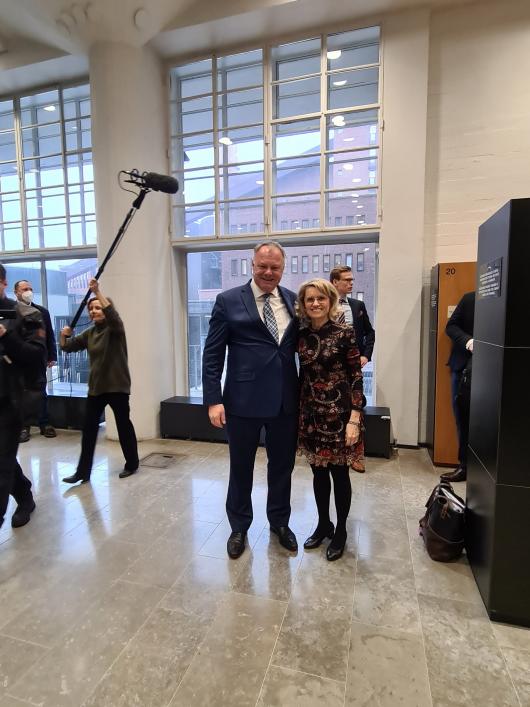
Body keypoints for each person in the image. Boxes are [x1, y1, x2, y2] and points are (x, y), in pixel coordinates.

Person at [202, 241, 299, 559]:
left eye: (275, 267)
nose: (269, 272)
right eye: (263, 266)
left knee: (282, 467)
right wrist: (213, 399)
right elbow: (213, 354)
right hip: (242, 401)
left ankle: (279, 523)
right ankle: (239, 526)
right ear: (252, 265)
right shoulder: (228, 300)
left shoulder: (293, 301)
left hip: (285, 401)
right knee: (240, 467)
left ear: (283, 268)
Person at [297, 278, 364, 561]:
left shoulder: (344, 333)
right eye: (310, 299)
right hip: (311, 414)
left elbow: (356, 376)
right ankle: (324, 523)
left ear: (331, 301)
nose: (315, 303)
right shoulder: (299, 334)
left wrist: (355, 419)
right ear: (303, 304)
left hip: (340, 416)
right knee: (318, 473)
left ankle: (341, 532)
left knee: (340, 474)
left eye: (321, 298)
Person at [59, 278, 139, 484]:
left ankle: (132, 464)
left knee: (123, 427)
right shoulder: (89, 333)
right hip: (96, 388)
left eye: (98, 308)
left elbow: (114, 316)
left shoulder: (115, 329)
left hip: (117, 386)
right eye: (91, 309)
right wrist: (63, 335)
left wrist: (97, 291)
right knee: (89, 430)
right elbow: (67, 347)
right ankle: (82, 472)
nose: (94, 311)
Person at [0, 263, 45, 529]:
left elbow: (35, 355)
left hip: (12, 399)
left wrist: (6, 337)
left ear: (4, 283)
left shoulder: (27, 315)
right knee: (3, 457)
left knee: (2, 461)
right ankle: (25, 494)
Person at [13, 280, 57, 442]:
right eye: (25, 289)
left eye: (30, 288)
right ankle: (24, 426)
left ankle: (44, 423)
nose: (28, 291)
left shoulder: (41, 311)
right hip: (18, 360)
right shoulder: (12, 310)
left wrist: (52, 355)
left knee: (41, 391)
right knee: (21, 392)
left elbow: (50, 335)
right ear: (16, 292)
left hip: (38, 358)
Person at [441, 291, 475, 483]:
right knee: (462, 418)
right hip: (463, 366)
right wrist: (469, 342)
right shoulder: (470, 298)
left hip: (496, 368)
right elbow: (451, 326)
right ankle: (464, 466)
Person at [330, 265, 375, 370]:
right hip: (330, 361)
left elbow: (369, 332)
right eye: (347, 280)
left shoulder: (358, 305)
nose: (351, 283)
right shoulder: (324, 306)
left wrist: (366, 355)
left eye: (352, 280)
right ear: (335, 282)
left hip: (354, 361)